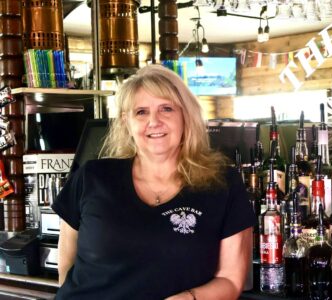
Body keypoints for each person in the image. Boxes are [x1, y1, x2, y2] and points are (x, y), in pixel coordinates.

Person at [52, 64, 256, 299]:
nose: (154, 121)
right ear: (126, 121)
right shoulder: (92, 177)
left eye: (166, 109)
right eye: (141, 112)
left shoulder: (223, 183)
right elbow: (66, 267)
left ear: (185, 116)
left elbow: (230, 280)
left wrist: (188, 298)